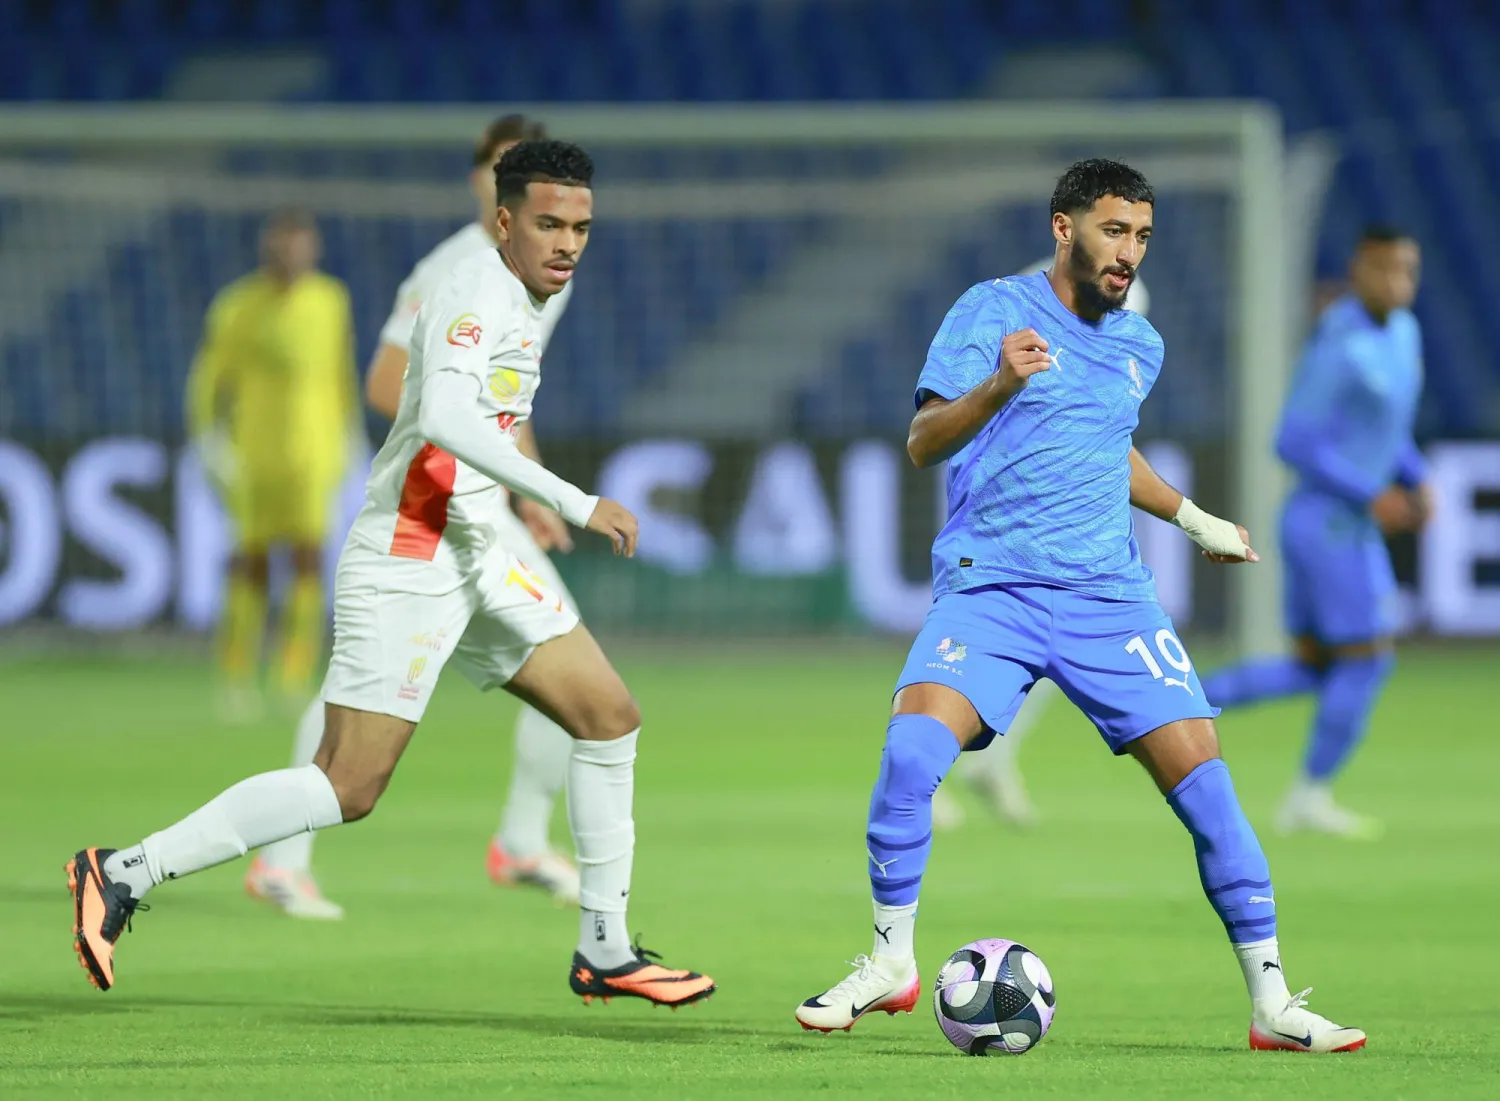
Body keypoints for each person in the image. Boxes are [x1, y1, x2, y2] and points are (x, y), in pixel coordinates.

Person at [68, 140, 715, 1010]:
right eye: (549, 223)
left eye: (582, 227)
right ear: (503, 220)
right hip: (411, 552)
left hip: (479, 547)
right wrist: (571, 496)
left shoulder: (531, 293)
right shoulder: (473, 289)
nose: (568, 243)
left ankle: (603, 945)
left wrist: (517, 505)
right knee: (348, 784)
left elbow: (490, 420)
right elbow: (444, 413)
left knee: (607, 715)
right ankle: (121, 870)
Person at [794, 160, 1364, 1053]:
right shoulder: (990, 310)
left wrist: (1196, 517)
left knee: (1210, 796)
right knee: (910, 752)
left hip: (1110, 602)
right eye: (1112, 231)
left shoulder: (1142, 344)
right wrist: (997, 386)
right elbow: (920, 441)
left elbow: (1106, 449)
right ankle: (890, 962)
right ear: (1064, 228)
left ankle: (1273, 1003)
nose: (1127, 251)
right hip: (993, 589)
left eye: (1140, 236)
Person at [245, 114, 584, 919]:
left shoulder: (535, 265)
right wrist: (489, 466)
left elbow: (505, 392)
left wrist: (524, 485)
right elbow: (387, 379)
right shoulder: (456, 267)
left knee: (588, 689)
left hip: (481, 504)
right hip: (433, 504)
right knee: (363, 694)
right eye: (500, 170)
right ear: (482, 183)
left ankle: (522, 840)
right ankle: (276, 859)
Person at [1201, 227, 1428, 839]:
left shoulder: (1404, 332)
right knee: (1368, 659)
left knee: (1318, 667)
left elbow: (1386, 424)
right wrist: (1370, 491)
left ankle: (1179, 699)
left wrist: (1415, 475)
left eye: (1407, 271)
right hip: (1329, 525)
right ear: (1359, 273)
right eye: (1385, 271)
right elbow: (1292, 441)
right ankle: (1308, 796)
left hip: (1336, 525)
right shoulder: (1340, 342)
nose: (1397, 283)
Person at [933, 257, 1152, 830]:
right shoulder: (1013, 309)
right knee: (973, 636)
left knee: (1048, 640)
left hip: (1059, 514)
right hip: (1003, 505)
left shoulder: (1111, 303)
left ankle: (990, 758)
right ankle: (927, 767)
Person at [186, 209, 358, 718]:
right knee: (251, 563)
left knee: (308, 560)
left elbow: (340, 373)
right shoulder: (238, 306)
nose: (292, 258)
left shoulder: (331, 301)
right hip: (254, 455)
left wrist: (351, 436)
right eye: (283, 248)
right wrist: (208, 438)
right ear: (267, 250)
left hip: (315, 454)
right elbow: (209, 378)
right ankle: (236, 673)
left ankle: (292, 674)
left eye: (301, 248)